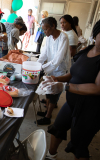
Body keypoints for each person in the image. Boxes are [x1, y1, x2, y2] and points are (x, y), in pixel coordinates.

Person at [43, 19, 100, 160]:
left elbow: (97, 88)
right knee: (57, 128)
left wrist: (65, 86)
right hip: (72, 103)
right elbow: (74, 73)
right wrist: (58, 79)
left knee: (79, 144)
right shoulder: (87, 50)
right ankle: (51, 155)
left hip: (89, 110)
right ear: (96, 33)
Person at [36, 17, 71, 125]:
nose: (44, 32)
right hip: (51, 68)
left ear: (53, 26)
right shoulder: (49, 37)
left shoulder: (63, 38)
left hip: (60, 70)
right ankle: (47, 111)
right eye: (43, 30)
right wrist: (36, 65)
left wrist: (42, 68)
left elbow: (58, 60)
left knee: (54, 94)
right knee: (48, 90)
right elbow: (44, 54)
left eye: (46, 29)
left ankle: (48, 117)